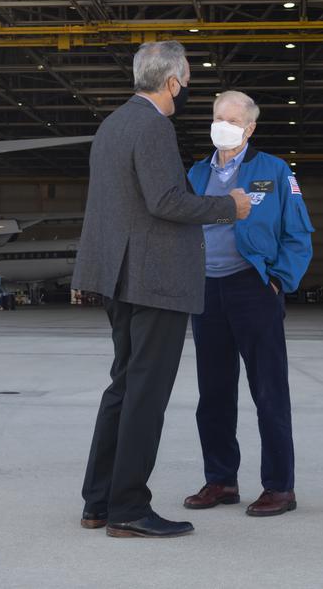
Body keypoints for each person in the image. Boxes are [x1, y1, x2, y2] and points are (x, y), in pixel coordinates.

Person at [73, 40, 252, 540]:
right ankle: (128, 508)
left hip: (120, 276)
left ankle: (99, 501)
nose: (188, 87)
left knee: (123, 387)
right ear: (171, 82)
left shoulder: (113, 124)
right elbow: (165, 201)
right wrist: (226, 207)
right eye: (188, 78)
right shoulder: (153, 126)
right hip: (154, 280)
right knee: (145, 395)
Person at [183, 91, 314, 518]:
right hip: (207, 291)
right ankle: (220, 480)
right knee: (214, 393)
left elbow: (298, 233)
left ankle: (280, 487)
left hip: (252, 288)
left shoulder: (273, 171)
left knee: (268, 391)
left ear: (250, 128)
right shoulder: (196, 173)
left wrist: (278, 280)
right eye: (218, 116)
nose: (224, 124)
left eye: (233, 120)